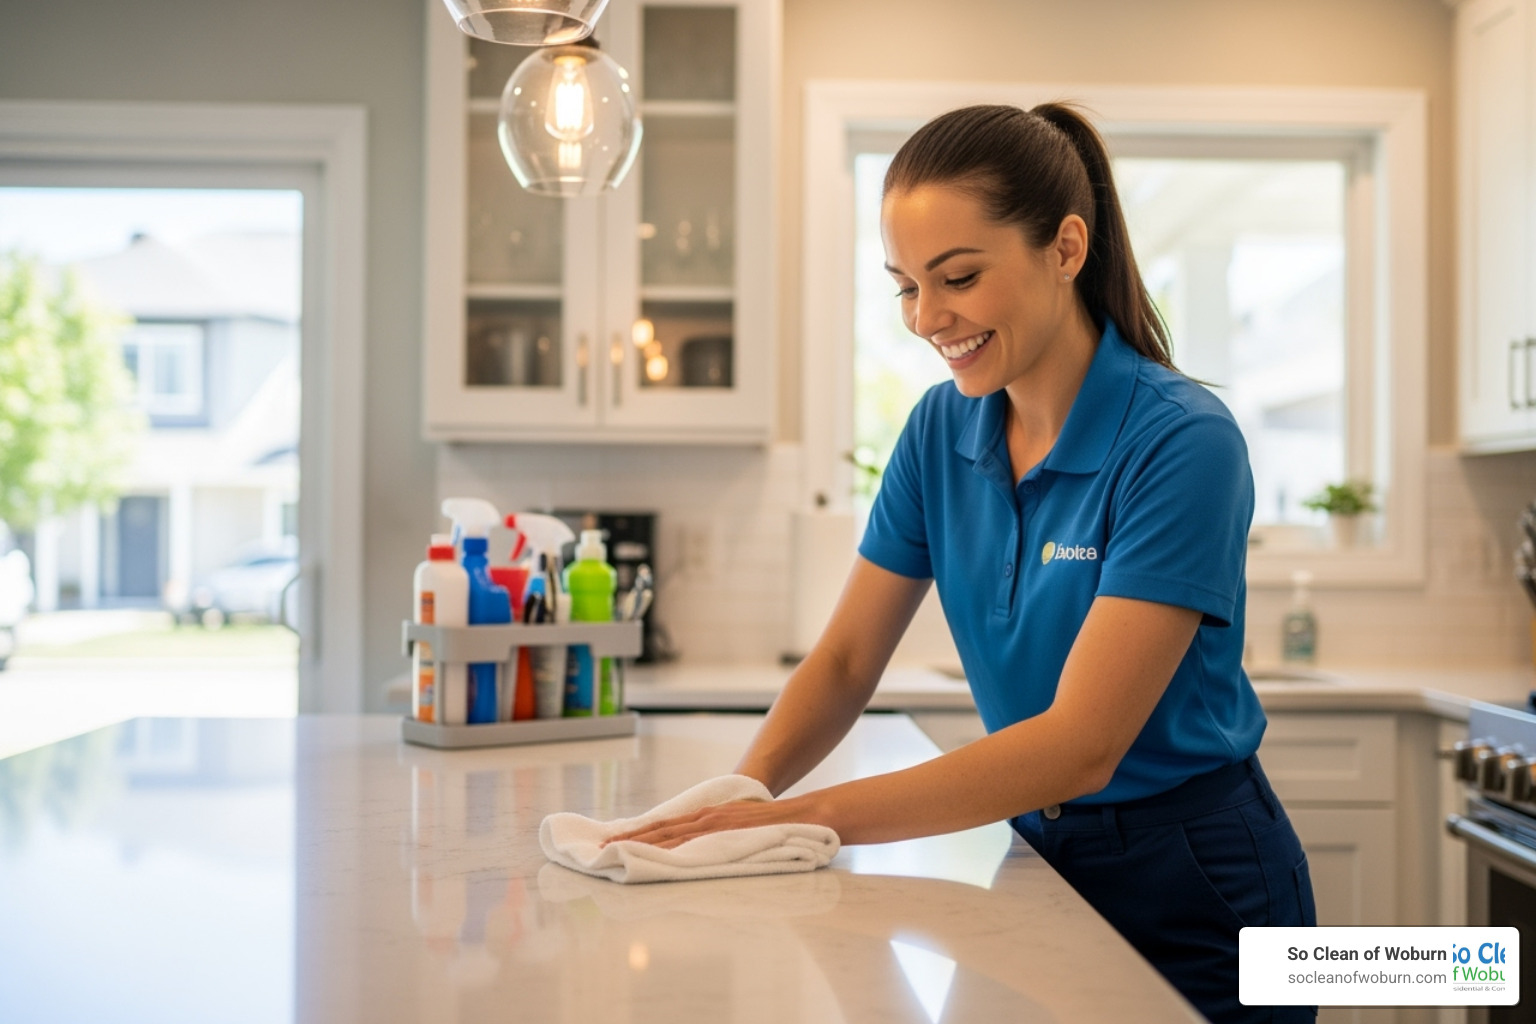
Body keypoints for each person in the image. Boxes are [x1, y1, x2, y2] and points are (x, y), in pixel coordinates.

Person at [608, 103, 1317, 1024]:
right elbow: (845, 664)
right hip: (1034, 857)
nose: (928, 318)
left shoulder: (1183, 441)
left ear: (1066, 248)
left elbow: (1080, 745)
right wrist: (738, 807)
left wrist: (805, 817)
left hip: (1202, 889)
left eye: (959, 277)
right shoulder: (940, 432)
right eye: (906, 286)